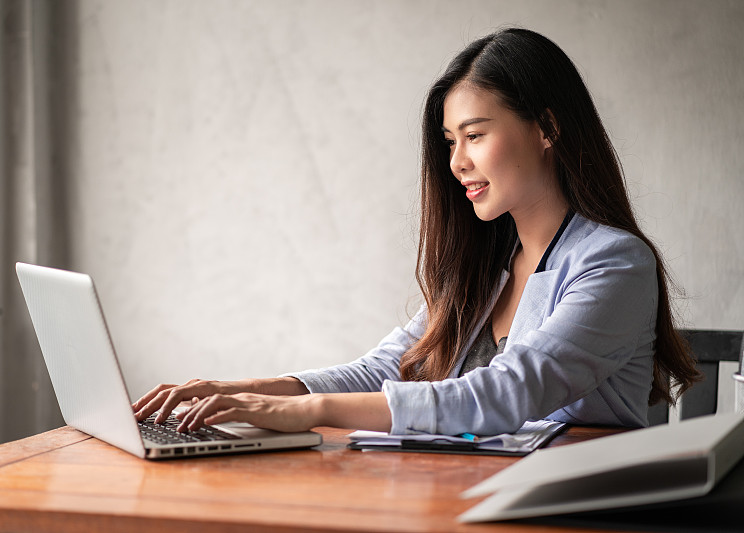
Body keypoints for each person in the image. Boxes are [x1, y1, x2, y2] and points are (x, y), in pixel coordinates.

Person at [133, 28, 700, 436]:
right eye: (451, 141)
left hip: (577, 512)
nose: (456, 163)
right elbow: (390, 367)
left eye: (474, 135)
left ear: (546, 128)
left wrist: (313, 413)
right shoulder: (490, 264)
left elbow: (509, 393)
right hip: (470, 497)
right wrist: (246, 393)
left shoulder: (614, 263)